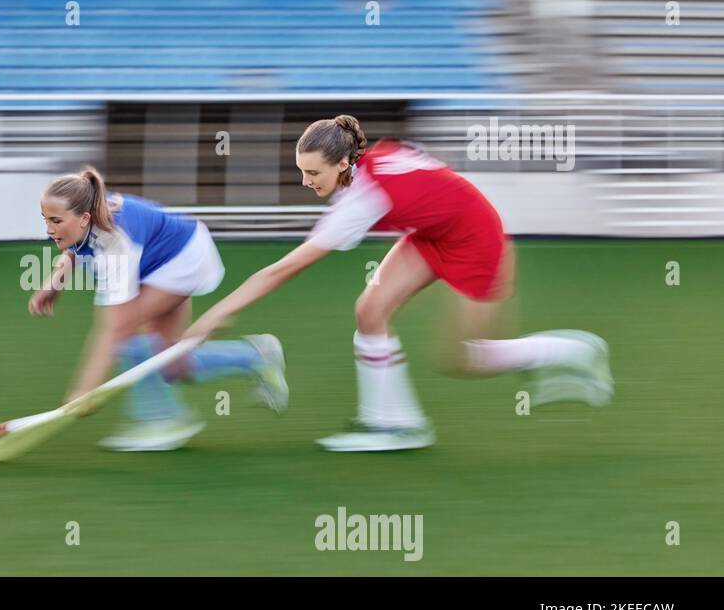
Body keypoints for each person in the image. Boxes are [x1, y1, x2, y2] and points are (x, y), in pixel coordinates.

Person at [185, 116, 612, 452]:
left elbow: (283, 270)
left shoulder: (360, 198)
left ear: (341, 164)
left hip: (476, 237)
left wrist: (218, 311)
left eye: (313, 172)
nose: (305, 181)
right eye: (301, 171)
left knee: (464, 359)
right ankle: (394, 424)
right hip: (433, 233)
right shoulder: (366, 165)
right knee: (369, 311)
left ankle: (570, 350)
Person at [30, 166, 288, 452]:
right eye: (45, 219)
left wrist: (83, 391)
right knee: (171, 365)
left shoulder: (115, 243)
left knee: (127, 339)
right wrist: (54, 281)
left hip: (182, 258)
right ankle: (255, 356)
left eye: (55, 220)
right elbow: (77, 246)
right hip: (156, 260)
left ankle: (161, 420)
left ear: (84, 217)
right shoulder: (87, 210)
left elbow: (115, 327)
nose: (49, 229)